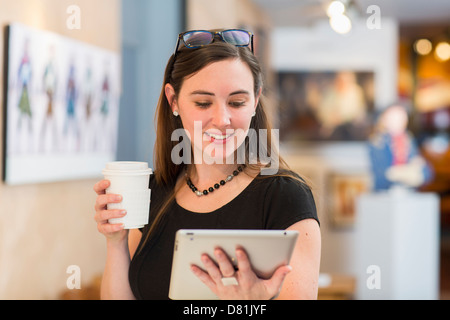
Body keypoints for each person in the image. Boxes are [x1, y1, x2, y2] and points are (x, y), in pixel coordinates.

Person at [94, 29, 321, 300]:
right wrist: (115, 242)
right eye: (203, 103)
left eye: (237, 102)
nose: (222, 119)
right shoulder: (156, 190)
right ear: (173, 100)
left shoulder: (284, 197)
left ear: (256, 100)